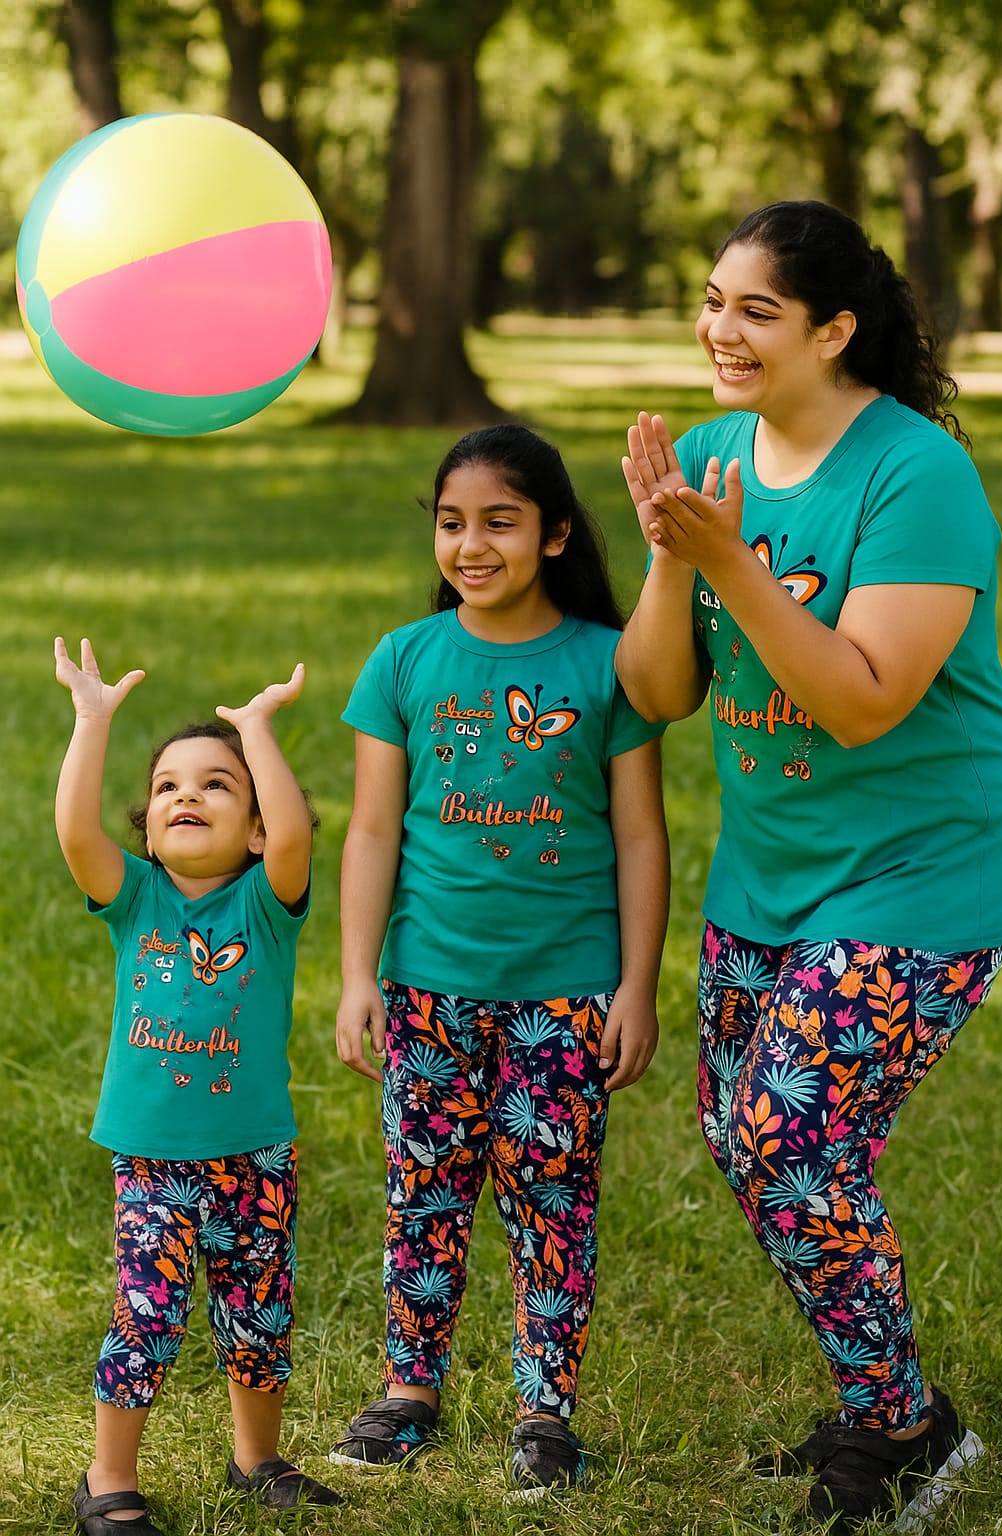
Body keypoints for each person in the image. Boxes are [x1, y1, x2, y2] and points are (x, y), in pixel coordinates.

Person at [614, 200, 1002, 1534]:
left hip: (930, 864)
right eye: (713, 299)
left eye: (755, 309)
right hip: (774, 871)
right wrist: (679, 561)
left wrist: (731, 559)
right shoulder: (718, 452)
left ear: (834, 330)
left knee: (793, 1132)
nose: (719, 330)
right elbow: (658, 691)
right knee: (743, 1142)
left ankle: (907, 1429)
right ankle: (878, 1399)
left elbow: (860, 699)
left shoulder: (917, 476)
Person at [331, 425, 669, 1497]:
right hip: (428, 988)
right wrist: (354, 978)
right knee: (423, 1195)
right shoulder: (404, 661)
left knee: (551, 1203)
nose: (470, 545)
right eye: (450, 523)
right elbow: (374, 832)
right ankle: (408, 1392)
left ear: (555, 532)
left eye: (498, 522)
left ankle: (545, 1412)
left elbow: (639, 838)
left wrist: (636, 987)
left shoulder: (607, 663)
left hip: (564, 996)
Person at [54, 638, 341, 1536]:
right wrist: (92, 721)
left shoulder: (265, 902)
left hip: (255, 1156)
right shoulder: (137, 898)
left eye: (219, 783)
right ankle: (108, 1478)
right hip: (153, 1160)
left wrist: (255, 730)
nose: (188, 794)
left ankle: (257, 1460)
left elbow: (294, 833)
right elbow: (73, 831)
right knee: (145, 1316)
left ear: (253, 830)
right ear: (147, 826)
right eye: (172, 785)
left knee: (258, 1319)